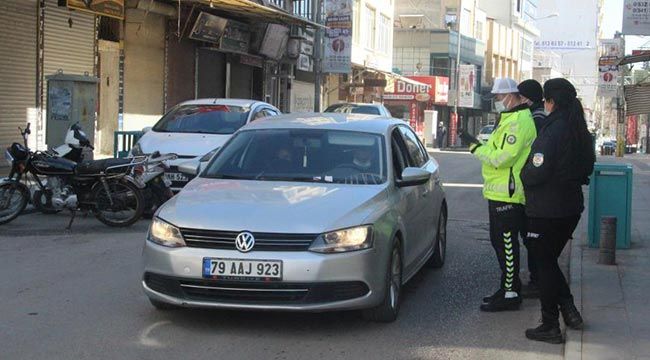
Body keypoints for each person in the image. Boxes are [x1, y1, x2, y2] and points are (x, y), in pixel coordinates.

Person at [522, 78, 595, 344]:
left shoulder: (553, 130)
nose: (544, 105)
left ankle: (551, 324)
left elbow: (536, 170)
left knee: (544, 264)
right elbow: (587, 167)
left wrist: (524, 175)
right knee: (548, 261)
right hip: (569, 208)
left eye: (545, 100)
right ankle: (569, 310)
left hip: (547, 210)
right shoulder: (578, 128)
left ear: (551, 102)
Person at [459, 77, 537, 312]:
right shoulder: (509, 119)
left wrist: (475, 147)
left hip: (509, 194)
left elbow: (501, 157)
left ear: (513, 95)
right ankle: (506, 287)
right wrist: (480, 146)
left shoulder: (520, 122)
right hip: (499, 191)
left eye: (499, 97)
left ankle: (511, 292)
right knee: (499, 242)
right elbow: (494, 149)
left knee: (507, 244)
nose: (497, 101)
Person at [516, 79, 546, 298]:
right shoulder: (540, 116)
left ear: (528, 98)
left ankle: (537, 281)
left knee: (533, 236)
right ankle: (537, 278)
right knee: (532, 236)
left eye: (521, 97)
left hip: (535, 189)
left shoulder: (536, 119)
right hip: (537, 188)